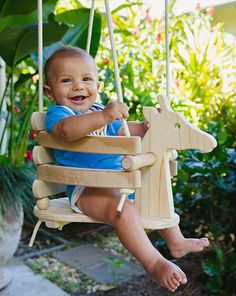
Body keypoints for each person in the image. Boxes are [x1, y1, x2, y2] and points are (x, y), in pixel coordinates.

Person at [44, 46, 209, 293]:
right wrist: (105, 117)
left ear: (97, 86)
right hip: (87, 188)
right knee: (121, 210)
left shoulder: (99, 112)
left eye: (86, 79)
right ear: (50, 92)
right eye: (67, 81)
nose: (78, 87)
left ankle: (175, 242)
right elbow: (68, 131)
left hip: (120, 181)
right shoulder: (59, 114)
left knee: (155, 188)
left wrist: (150, 125)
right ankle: (154, 263)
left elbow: (127, 131)